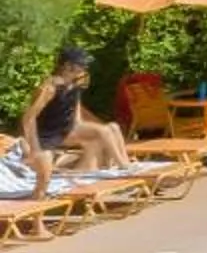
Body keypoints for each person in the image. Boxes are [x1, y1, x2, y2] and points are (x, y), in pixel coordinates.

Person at [21, 50, 127, 185]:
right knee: (103, 131)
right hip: (48, 134)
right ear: (67, 66)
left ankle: (125, 164)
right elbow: (28, 117)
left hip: (66, 129)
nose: (85, 68)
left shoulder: (75, 85)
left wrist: (88, 132)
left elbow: (77, 117)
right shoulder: (50, 87)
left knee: (112, 127)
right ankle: (124, 168)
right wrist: (34, 148)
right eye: (81, 64)